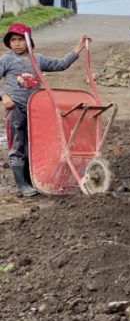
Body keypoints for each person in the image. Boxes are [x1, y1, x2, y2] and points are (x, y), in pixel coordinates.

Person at [1, 23, 89, 197]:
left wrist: (78, 48)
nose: (17, 44)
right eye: (13, 40)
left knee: (32, 145)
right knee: (17, 144)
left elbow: (61, 64)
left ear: (29, 41)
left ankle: (32, 180)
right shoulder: (6, 60)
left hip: (35, 111)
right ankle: (21, 185)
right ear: (9, 43)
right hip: (15, 108)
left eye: (20, 40)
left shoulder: (38, 59)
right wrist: (3, 96)